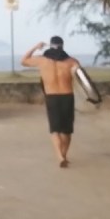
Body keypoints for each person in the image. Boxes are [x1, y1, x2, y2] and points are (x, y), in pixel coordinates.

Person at [20, 36, 80, 168]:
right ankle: (64, 155)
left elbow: (23, 61)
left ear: (50, 45)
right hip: (67, 96)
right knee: (67, 131)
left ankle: (59, 156)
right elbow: (82, 80)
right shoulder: (72, 61)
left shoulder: (42, 61)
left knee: (55, 130)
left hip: (52, 97)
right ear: (62, 46)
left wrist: (36, 47)